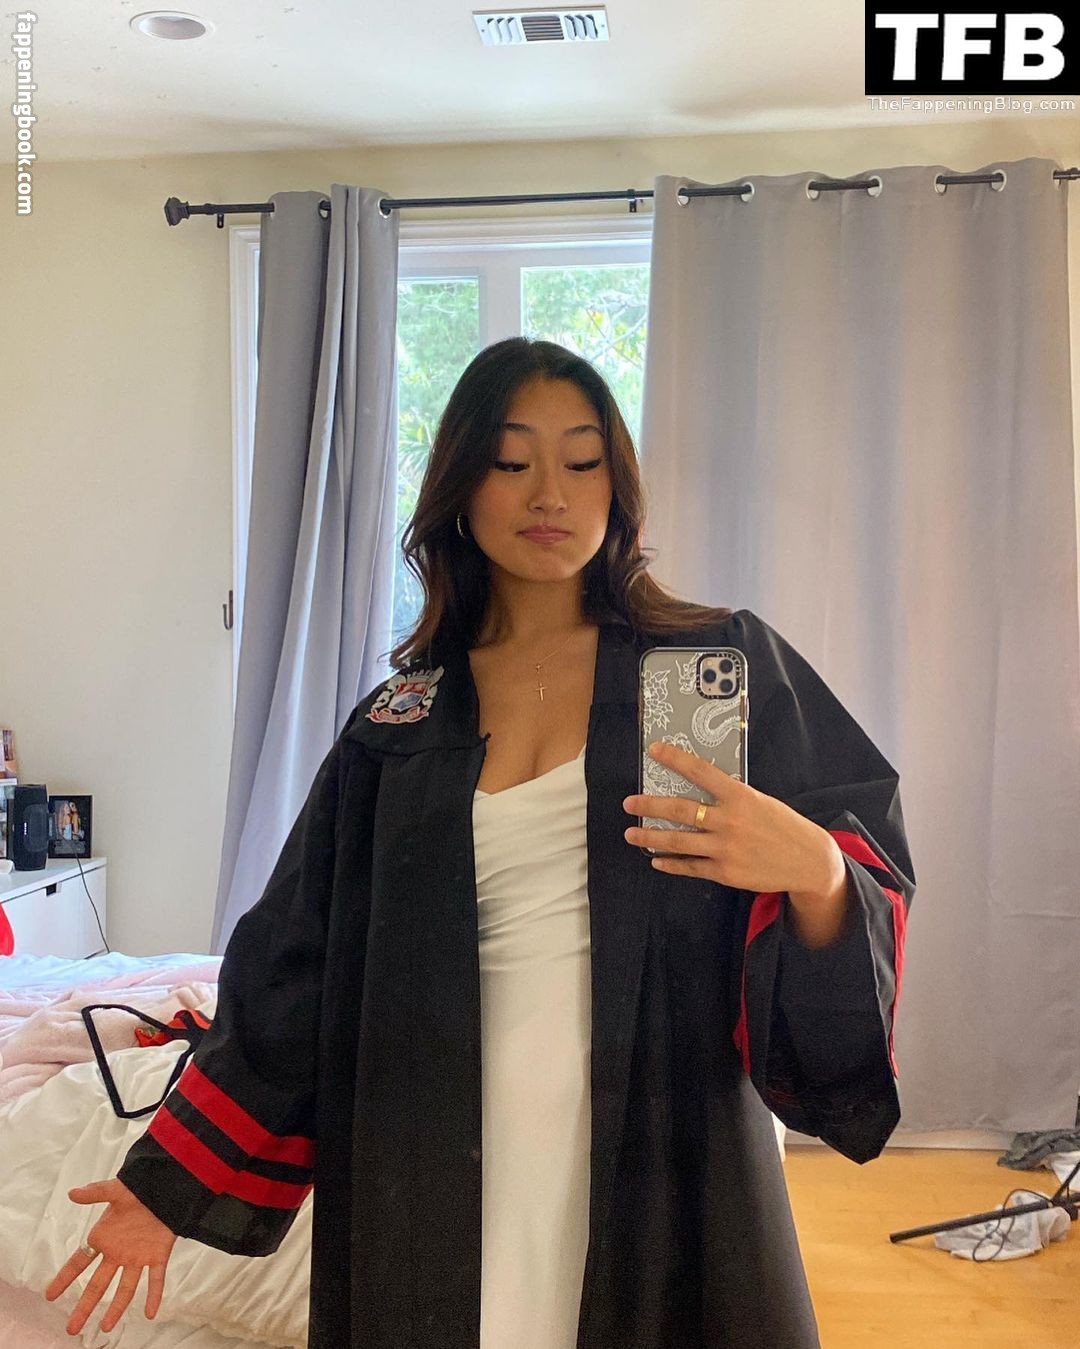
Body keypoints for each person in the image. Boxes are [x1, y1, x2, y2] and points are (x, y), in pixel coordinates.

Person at [45, 338, 915, 1347]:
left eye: (582, 459)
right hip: (431, 1152)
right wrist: (169, 1182)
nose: (551, 491)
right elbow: (294, 962)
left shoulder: (712, 664)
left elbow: (859, 856)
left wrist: (815, 872)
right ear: (462, 486)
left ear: (618, 485)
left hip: (659, 1150)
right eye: (511, 460)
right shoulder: (400, 723)